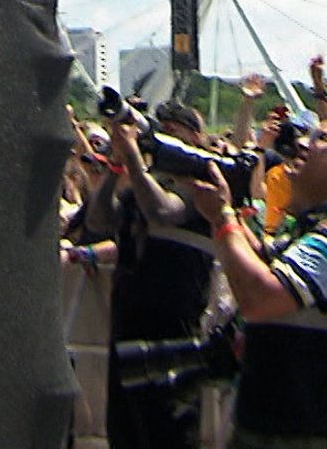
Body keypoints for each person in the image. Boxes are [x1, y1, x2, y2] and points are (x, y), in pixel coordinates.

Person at [190, 117, 327, 449]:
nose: (301, 144)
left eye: (321, 140)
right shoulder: (319, 227)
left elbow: (261, 297)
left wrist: (222, 219)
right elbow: (262, 259)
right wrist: (228, 205)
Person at [102, 101, 220, 448]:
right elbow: (98, 220)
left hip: (172, 330)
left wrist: (135, 160)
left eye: (174, 131)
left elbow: (163, 209)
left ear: (196, 137)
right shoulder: (146, 181)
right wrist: (115, 165)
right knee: (125, 432)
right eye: (161, 129)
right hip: (127, 324)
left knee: (167, 433)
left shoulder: (205, 181)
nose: (164, 138)